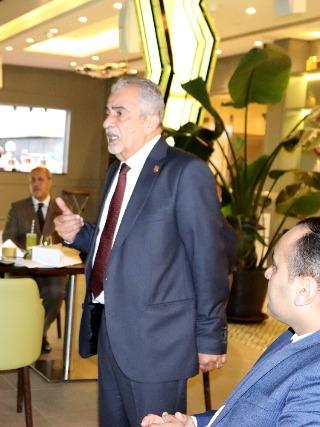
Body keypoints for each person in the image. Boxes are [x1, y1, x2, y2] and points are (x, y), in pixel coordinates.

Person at [54, 77, 229, 427]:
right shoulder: (117, 171)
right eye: (108, 112)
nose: (107, 122)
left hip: (158, 342)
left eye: (119, 113)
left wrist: (211, 336)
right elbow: (116, 243)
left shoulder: (185, 172)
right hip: (112, 330)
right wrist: (80, 234)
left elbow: (208, 259)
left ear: (151, 120)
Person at [142, 217, 320, 427]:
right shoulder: (294, 335)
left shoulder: (315, 379)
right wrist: (194, 423)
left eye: (275, 266)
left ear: (304, 290)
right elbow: (249, 413)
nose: (267, 273)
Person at [2, 166, 66, 353]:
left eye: (40, 179)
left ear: (49, 182)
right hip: (22, 269)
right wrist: (25, 255)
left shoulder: (60, 210)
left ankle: (38, 334)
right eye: (32, 180)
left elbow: (69, 242)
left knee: (56, 292)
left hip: (50, 271)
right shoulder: (17, 208)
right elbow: (7, 240)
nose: (36, 184)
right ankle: (26, 335)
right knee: (20, 291)